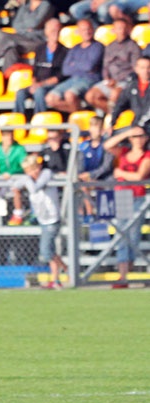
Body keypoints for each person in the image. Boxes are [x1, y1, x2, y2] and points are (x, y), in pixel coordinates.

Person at [102, 125, 150, 287]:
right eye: (135, 137)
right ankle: (123, 276)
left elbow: (139, 176)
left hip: (137, 197)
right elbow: (107, 145)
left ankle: (128, 272)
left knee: (133, 236)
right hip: (122, 196)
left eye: (141, 136)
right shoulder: (123, 152)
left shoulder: (147, 156)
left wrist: (121, 174)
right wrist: (127, 133)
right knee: (122, 235)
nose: (138, 139)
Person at [12, 154, 67, 288]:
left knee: (45, 251)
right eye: (28, 171)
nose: (32, 173)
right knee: (51, 250)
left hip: (52, 218)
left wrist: (26, 180)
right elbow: (14, 186)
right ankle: (56, 280)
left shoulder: (46, 173)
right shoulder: (28, 178)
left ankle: (66, 268)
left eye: (33, 169)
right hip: (43, 219)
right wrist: (23, 180)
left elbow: (35, 187)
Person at [45, 19, 104, 115]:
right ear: (79, 32)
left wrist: (75, 64)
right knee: (50, 98)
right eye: (83, 30)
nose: (86, 32)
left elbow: (89, 66)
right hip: (73, 80)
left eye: (88, 29)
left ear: (92, 30)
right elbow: (66, 70)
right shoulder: (75, 49)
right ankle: (80, 112)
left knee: (70, 95)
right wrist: (82, 64)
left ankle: (79, 119)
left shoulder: (97, 47)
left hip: (90, 79)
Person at [84, 17, 141, 115]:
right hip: (110, 81)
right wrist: (107, 79)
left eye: (123, 28)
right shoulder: (110, 46)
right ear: (114, 30)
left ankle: (114, 118)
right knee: (90, 96)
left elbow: (135, 69)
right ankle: (114, 115)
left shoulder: (133, 46)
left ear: (127, 30)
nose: (121, 31)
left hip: (126, 81)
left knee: (115, 94)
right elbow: (105, 66)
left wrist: (117, 80)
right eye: (118, 28)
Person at [14, 18, 66, 117]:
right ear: (47, 32)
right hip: (38, 83)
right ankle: (17, 120)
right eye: (52, 30)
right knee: (20, 93)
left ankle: (40, 119)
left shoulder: (64, 51)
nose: (55, 33)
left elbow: (60, 75)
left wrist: (40, 84)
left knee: (39, 92)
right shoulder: (40, 49)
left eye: (57, 30)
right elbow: (35, 70)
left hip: (52, 84)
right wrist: (34, 83)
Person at [0, 0, 53, 72]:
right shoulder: (25, 6)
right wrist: (27, 29)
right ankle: (8, 78)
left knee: (8, 40)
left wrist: (25, 26)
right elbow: (16, 25)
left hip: (36, 41)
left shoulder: (45, 5)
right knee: (11, 50)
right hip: (20, 38)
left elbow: (35, 23)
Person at [0, 128, 28, 224]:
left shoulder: (19, 149)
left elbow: (24, 164)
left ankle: (18, 214)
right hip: (1, 177)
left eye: (10, 135)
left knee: (16, 188)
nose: (9, 138)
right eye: (6, 135)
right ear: (2, 137)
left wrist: (12, 173)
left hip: (17, 176)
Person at [76, 115, 113, 220]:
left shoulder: (106, 145)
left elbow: (107, 166)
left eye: (96, 127)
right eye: (92, 127)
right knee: (79, 184)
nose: (93, 130)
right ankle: (87, 214)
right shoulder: (83, 146)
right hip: (87, 179)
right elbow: (80, 166)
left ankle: (105, 216)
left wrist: (92, 175)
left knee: (109, 182)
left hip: (103, 177)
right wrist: (83, 175)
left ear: (102, 130)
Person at [108, 55, 150, 133]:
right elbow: (120, 104)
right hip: (135, 126)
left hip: (145, 127)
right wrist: (112, 123)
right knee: (108, 136)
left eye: (148, 68)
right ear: (136, 69)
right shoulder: (132, 85)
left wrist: (140, 126)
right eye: (142, 68)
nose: (146, 71)